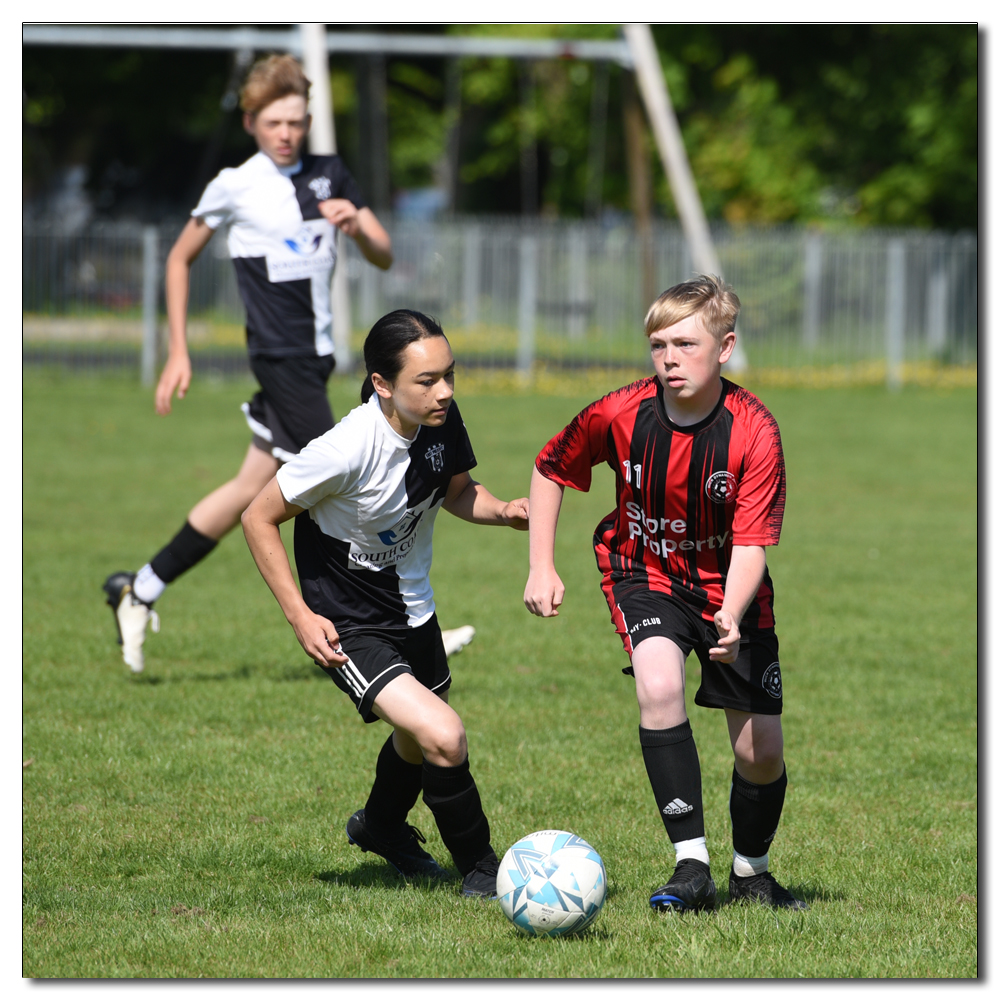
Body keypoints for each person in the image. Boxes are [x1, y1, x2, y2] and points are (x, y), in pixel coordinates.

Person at [103, 54, 474, 672]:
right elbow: (177, 260)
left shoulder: (329, 175)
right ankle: (388, 630)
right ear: (250, 121)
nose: (287, 133)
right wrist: (178, 348)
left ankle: (138, 591)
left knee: (252, 489)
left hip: (317, 361)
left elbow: (382, 254)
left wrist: (356, 225)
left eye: (298, 121)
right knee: (340, 483)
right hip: (280, 360)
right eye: (275, 121)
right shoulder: (235, 184)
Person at [523, 275, 808, 913]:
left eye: (685, 343)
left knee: (760, 753)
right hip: (641, 571)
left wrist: (730, 616)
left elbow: (752, 543)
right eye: (658, 345)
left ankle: (752, 872)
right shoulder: (620, 411)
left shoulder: (754, 430)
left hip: (729, 587)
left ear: (725, 347)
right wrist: (540, 564)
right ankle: (691, 866)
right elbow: (550, 468)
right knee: (657, 685)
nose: (670, 358)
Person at [241, 309, 529, 896]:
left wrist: (500, 511)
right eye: (427, 380)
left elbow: (456, 490)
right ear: (381, 383)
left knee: (414, 741)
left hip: (415, 610)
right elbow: (257, 516)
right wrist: (301, 615)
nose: (444, 391)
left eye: (449, 375)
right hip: (348, 624)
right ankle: (482, 870)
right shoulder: (344, 449)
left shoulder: (440, 419)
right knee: (444, 734)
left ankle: (380, 827)